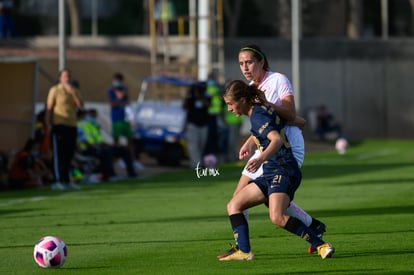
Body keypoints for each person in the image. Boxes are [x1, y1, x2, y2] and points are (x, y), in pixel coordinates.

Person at [218, 45, 326, 257]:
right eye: (241, 63)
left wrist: (267, 104)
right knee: (246, 198)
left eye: (249, 62)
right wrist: (250, 141)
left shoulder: (278, 80)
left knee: (271, 203)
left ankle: (244, 248)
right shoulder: (248, 87)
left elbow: (290, 113)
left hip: (286, 147)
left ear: (261, 61)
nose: (245, 67)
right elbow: (263, 124)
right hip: (266, 147)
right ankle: (311, 227)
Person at [45, 68, 84, 191]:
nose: (67, 78)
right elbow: (49, 108)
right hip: (59, 125)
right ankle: (58, 180)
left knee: (69, 154)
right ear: (60, 78)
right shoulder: (55, 90)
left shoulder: (74, 91)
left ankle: (67, 180)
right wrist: (47, 124)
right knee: (59, 154)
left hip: (71, 125)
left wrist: (74, 93)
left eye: (69, 76)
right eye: (65, 76)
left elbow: (81, 106)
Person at [77, 109, 138, 181]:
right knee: (106, 153)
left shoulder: (91, 125)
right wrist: (97, 147)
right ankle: (110, 175)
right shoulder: (78, 126)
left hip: (98, 146)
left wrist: (109, 145)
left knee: (123, 149)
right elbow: (83, 141)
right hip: (87, 149)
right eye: (84, 115)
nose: (86, 117)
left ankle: (131, 173)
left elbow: (99, 140)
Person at [107, 72, 143, 171]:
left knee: (129, 140)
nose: (116, 82)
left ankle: (132, 160)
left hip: (125, 118)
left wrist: (119, 101)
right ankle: (115, 160)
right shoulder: (110, 90)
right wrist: (120, 102)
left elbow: (125, 101)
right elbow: (113, 103)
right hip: (116, 118)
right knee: (116, 140)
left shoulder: (124, 89)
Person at [182, 82, 211, 168]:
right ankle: (196, 164)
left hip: (203, 124)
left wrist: (200, 96)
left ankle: (199, 162)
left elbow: (208, 104)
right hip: (192, 125)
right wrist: (190, 95)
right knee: (193, 146)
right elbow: (184, 106)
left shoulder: (206, 97)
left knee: (201, 145)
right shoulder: (190, 98)